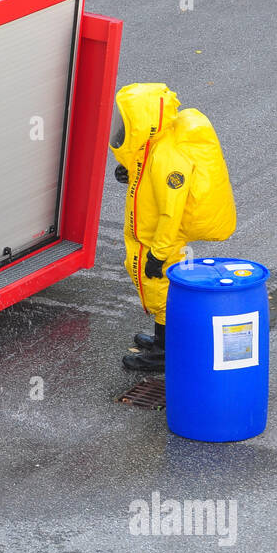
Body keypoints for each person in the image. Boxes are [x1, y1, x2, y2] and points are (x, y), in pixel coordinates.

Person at [111, 83, 237, 371]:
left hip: (160, 238)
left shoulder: (167, 158)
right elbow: (146, 179)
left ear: (144, 121)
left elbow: (171, 212)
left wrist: (159, 253)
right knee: (156, 288)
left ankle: (165, 351)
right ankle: (162, 341)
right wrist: (130, 171)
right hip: (150, 234)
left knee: (161, 290)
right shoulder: (154, 144)